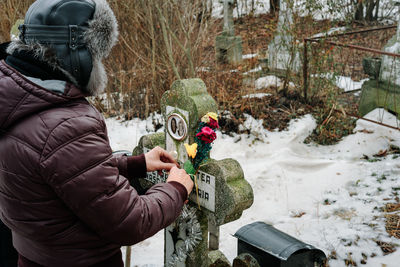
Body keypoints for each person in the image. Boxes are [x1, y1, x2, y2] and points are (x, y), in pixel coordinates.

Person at [0, 0, 194, 266]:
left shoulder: (17, 100)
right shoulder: (65, 125)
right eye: (95, 53)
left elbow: (58, 170)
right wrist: (175, 189)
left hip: (35, 256)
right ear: (75, 54)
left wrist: (133, 164)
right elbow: (130, 221)